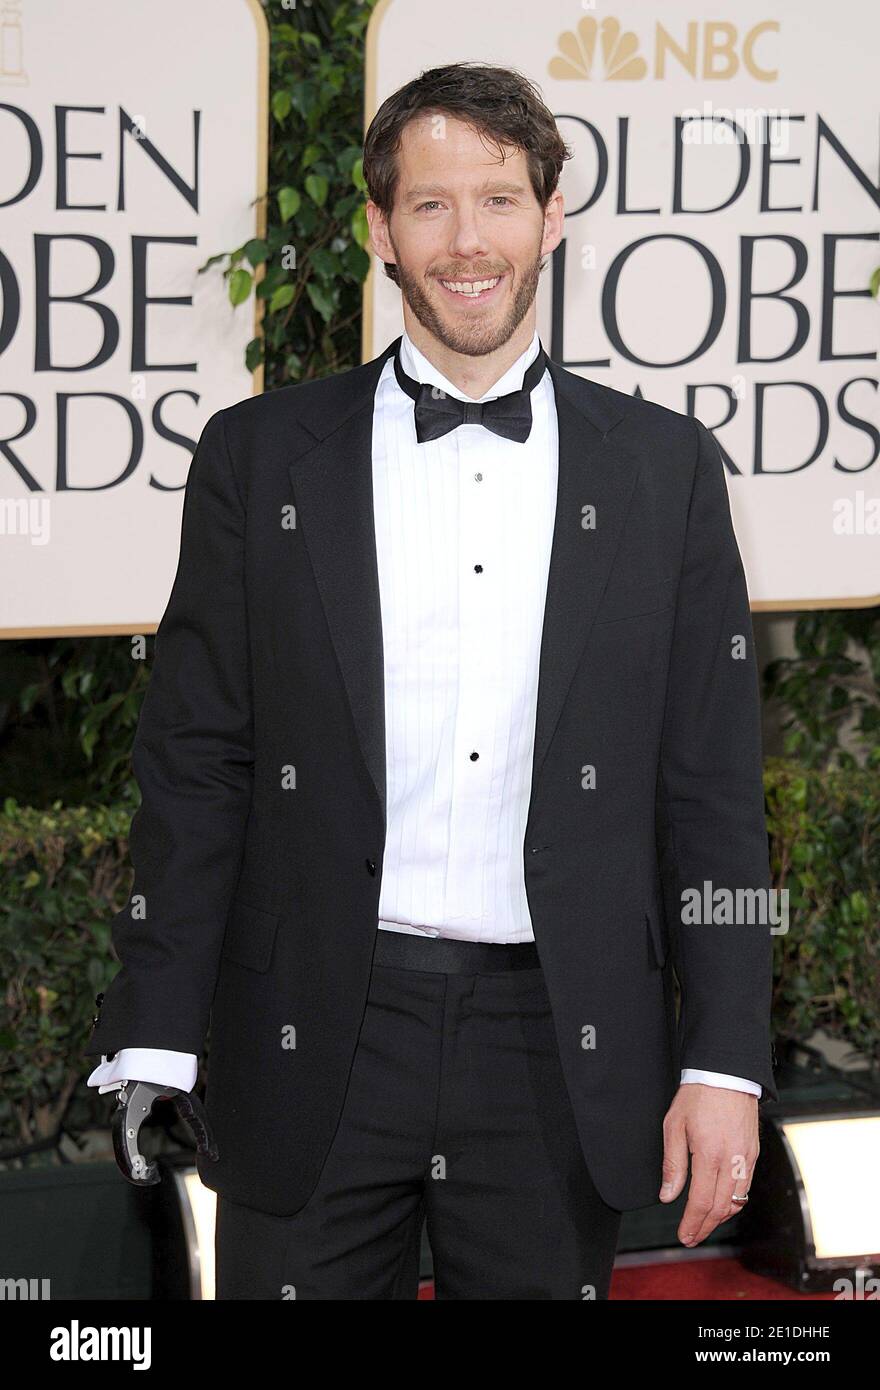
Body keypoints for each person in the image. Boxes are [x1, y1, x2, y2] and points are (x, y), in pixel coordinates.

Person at [85, 62, 777, 1300]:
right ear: (378, 232)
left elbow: (711, 788)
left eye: (501, 201)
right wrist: (156, 1019)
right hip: (313, 1028)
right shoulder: (260, 458)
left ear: (552, 217)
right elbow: (198, 761)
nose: (470, 242)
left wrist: (723, 1060)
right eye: (430, 207)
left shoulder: (667, 471)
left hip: (553, 1040)